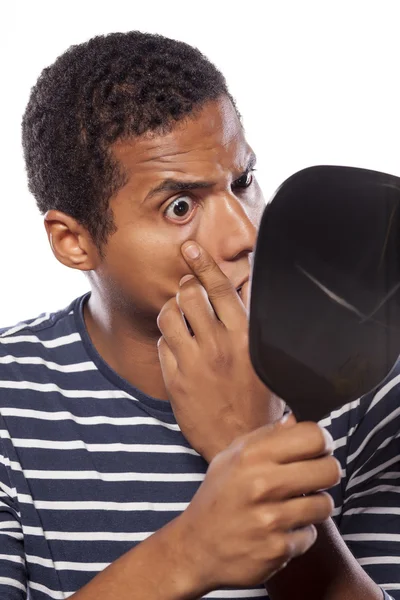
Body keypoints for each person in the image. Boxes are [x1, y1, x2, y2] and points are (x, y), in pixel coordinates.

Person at [0, 30, 398, 600]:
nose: (245, 233)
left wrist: (253, 439)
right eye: (180, 206)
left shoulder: (371, 380)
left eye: (243, 182)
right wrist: (189, 553)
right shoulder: (9, 400)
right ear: (74, 241)